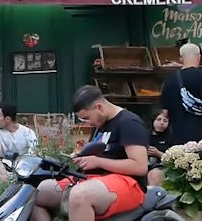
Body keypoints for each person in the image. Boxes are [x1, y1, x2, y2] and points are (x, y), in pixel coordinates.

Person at [32, 86, 148, 221]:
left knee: (80, 195)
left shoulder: (129, 123)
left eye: (87, 118)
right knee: (37, 192)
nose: (89, 123)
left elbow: (140, 167)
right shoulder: (100, 124)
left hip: (128, 183)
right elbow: (97, 151)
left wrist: (98, 161)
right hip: (93, 179)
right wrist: (80, 156)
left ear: (99, 107)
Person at [160, 43, 202, 144]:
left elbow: (165, 113)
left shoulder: (169, 80)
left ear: (181, 58)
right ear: (199, 57)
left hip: (175, 138)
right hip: (201, 139)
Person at [0, 102, 38, 183]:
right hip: (6, 168)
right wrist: (3, 172)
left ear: (8, 119)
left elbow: (35, 153)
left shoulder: (27, 133)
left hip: (24, 169)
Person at [146, 110, 172, 187]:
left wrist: (158, 153)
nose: (161, 123)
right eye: (159, 119)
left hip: (163, 168)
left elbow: (174, 160)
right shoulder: (144, 136)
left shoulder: (171, 138)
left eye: (165, 121)